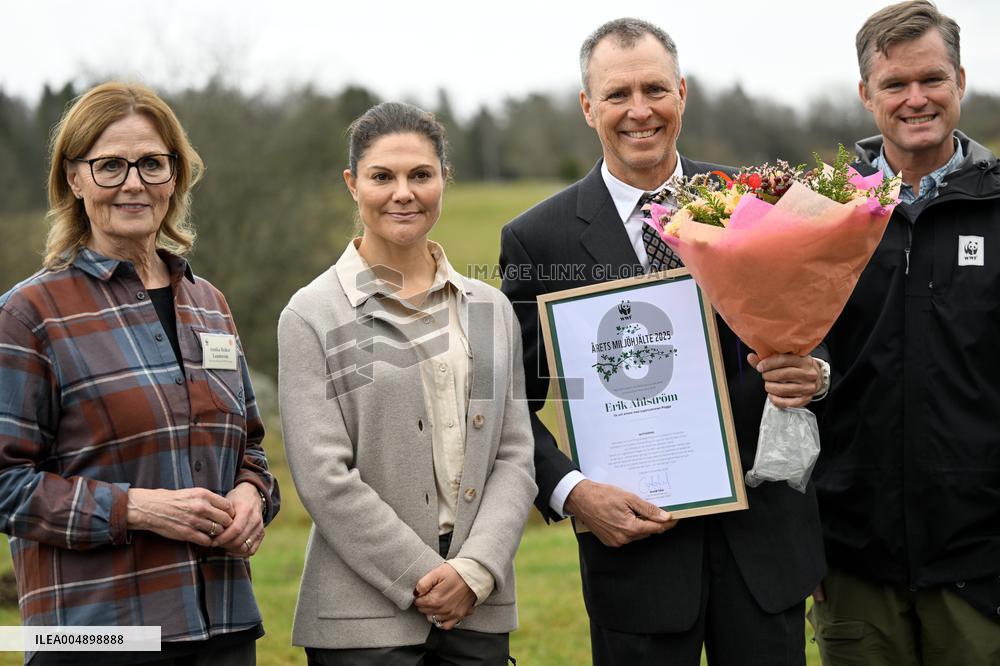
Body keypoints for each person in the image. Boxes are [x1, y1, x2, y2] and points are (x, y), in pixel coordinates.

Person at [499, 18, 827, 666]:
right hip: (634, 556)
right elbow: (508, 400)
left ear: (682, 91)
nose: (639, 110)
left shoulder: (757, 204)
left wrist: (815, 373)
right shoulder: (541, 239)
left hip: (762, 547)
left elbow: (823, 332)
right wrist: (571, 491)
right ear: (589, 107)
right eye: (618, 94)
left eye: (655, 89)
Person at [0, 81, 279, 665]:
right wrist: (137, 509)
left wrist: (254, 496)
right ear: (73, 180)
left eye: (152, 163)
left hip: (223, 625)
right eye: (109, 166)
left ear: (175, 176)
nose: (133, 182)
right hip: (97, 636)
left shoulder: (209, 305)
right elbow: (6, 484)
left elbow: (249, 447)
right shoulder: (29, 315)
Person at [277, 102, 536, 666]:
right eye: (381, 177)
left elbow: (515, 454)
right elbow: (323, 477)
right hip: (362, 620)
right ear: (352, 184)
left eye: (421, 174)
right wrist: (425, 575)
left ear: (445, 178)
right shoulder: (312, 316)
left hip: (479, 603)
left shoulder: (490, 308)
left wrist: (473, 571)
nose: (403, 192)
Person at [810, 2, 1000, 664]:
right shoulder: (820, 216)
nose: (916, 99)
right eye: (895, 84)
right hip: (855, 563)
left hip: (983, 570)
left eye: (932, 79)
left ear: (961, 80)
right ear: (866, 95)